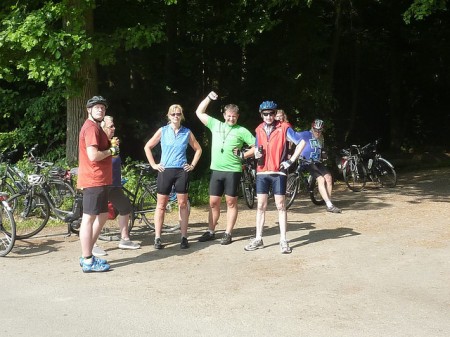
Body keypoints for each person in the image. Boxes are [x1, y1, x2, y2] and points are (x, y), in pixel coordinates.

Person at [244, 101, 305, 254]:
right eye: (266, 114)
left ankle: (283, 240)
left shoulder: (284, 128)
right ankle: (258, 238)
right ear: (261, 115)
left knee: (281, 205)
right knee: (261, 206)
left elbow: (302, 142)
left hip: (278, 172)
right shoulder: (258, 129)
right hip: (262, 171)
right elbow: (258, 147)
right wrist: (256, 153)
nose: (269, 116)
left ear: (275, 113)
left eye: (271, 113)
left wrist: (291, 160)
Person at [195, 91, 256, 245]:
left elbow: (257, 147)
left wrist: (244, 156)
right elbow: (199, 112)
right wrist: (208, 98)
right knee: (213, 202)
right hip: (217, 169)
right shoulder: (216, 124)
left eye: (234, 116)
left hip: (233, 170)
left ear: (238, 117)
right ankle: (211, 231)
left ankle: (228, 233)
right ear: (224, 115)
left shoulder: (241, 130)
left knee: (230, 202)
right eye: (229, 116)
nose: (231, 118)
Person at [144, 104, 202, 249]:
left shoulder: (186, 132)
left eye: (178, 114)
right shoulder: (162, 131)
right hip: (165, 170)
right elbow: (147, 146)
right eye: (173, 114)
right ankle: (157, 237)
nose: (176, 116)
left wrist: (192, 165)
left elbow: (198, 149)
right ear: (168, 116)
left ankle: (184, 237)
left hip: (181, 171)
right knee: (161, 205)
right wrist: (154, 164)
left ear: (181, 115)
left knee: (182, 204)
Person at [77, 96, 119, 272]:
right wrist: (111, 150)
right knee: (88, 218)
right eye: (97, 107)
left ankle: (88, 253)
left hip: (100, 179)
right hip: (93, 179)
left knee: (102, 215)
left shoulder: (96, 127)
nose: (100, 110)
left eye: (102, 107)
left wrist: (110, 146)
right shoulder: (91, 128)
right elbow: (93, 155)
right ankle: (87, 259)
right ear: (89, 110)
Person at [99, 115, 140, 250]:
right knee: (99, 214)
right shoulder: (100, 143)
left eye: (113, 125)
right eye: (111, 126)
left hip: (115, 185)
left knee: (125, 207)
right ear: (103, 128)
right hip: (103, 184)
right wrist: (111, 148)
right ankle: (91, 245)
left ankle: (125, 239)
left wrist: (114, 146)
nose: (114, 128)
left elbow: (114, 160)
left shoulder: (112, 142)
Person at [294, 119, 341, 213]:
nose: (318, 132)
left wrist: (323, 155)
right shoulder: (306, 134)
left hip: (317, 161)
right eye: (316, 130)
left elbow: (321, 149)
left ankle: (329, 202)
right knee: (321, 179)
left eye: (320, 130)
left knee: (328, 178)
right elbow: (292, 137)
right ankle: (330, 205)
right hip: (306, 161)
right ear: (312, 128)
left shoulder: (321, 137)